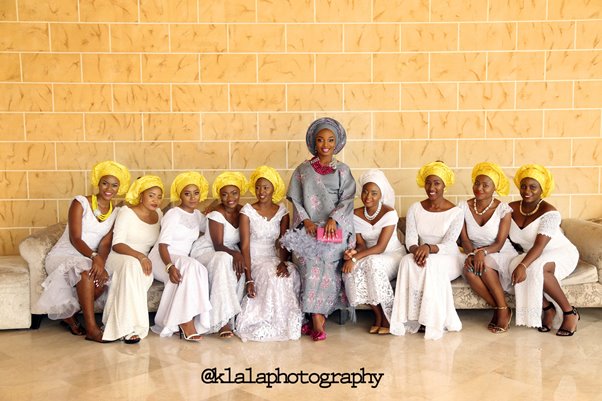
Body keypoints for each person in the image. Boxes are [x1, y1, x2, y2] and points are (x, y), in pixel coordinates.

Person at [35, 161, 130, 342]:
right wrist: (94, 257)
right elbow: (75, 238)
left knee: (100, 282)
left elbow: (105, 244)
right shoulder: (80, 202)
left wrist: (101, 261)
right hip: (65, 254)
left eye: (114, 185)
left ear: (120, 188)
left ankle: (69, 315)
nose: (109, 188)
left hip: (89, 257)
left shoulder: (116, 212)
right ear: (98, 183)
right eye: (105, 183)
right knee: (87, 273)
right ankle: (92, 330)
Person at [281, 117, 356, 341]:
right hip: (308, 230)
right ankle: (316, 318)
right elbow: (296, 200)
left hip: (334, 231)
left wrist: (333, 219)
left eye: (330, 140)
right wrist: (307, 222)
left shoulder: (343, 170)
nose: (325, 144)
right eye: (321, 140)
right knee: (309, 260)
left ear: (337, 143)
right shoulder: (303, 170)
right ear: (314, 143)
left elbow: (348, 200)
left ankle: (316, 317)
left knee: (328, 259)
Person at [390, 161, 464, 340]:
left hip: (448, 257)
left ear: (444, 185)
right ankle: (410, 318)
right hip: (422, 253)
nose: (432, 187)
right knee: (407, 261)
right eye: (429, 182)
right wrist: (417, 251)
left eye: (437, 183)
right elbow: (410, 240)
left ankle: (430, 320)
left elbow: (449, 244)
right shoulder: (415, 208)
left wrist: (428, 248)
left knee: (430, 265)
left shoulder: (456, 212)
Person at [508, 164, 580, 336]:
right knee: (512, 265)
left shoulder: (550, 213)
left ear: (542, 189)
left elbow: (539, 246)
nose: (527, 191)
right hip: (533, 254)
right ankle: (547, 309)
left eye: (533, 187)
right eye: (523, 186)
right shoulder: (511, 208)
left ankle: (569, 313)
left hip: (559, 251)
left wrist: (523, 265)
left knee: (537, 269)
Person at [235, 166, 303, 342]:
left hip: (274, 257)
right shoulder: (247, 212)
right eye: (258, 187)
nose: (261, 191)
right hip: (255, 258)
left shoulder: (282, 212)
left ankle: (286, 321)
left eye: (266, 187)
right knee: (270, 275)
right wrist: (248, 277)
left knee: (291, 272)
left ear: (274, 188)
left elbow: (283, 241)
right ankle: (266, 320)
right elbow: (245, 246)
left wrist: (283, 262)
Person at [148, 172, 212, 341]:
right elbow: (162, 245)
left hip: (182, 258)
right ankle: (185, 322)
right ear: (180, 195)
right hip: (162, 257)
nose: (192, 197)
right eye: (187, 193)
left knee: (200, 269)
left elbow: (213, 225)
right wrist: (170, 266)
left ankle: (188, 320)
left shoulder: (198, 216)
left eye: (196, 193)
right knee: (190, 266)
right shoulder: (173, 214)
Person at [342, 169, 405, 335]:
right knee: (351, 271)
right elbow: (362, 245)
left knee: (371, 263)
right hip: (369, 254)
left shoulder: (389, 213)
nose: (368, 197)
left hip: (392, 255)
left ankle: (388, 316)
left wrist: (355, 259)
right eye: (365, 192)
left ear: (381, 195)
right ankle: (377, 315)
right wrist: (352, 254)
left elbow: (381, 247)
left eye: (374, 193)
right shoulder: (355, 214)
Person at [102, 175, 164, 343]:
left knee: (137, 270)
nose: (156, 200)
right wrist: (140, 256)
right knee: (131, 265)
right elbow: (117, 244)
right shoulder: (126, 212)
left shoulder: (159, 214)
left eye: (159, 196)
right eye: (151, 195)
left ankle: (118, 324)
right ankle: (132, 328)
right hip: (120, 257)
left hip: (142, 263)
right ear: (140, 194)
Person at [459, 162, 517, 333]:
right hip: (474, 251)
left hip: (500, 251)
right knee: (469, 271)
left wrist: (481, 253)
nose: (480, 188)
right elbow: (464, 239)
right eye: (477, 183)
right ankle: (502, 309)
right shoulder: (462, 207)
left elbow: (499, 242)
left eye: (486, 185)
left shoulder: (503, 210)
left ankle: (502, 312)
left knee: (483, 265)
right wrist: (472, 253)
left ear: (495, 188)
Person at [190, 172, 247, 338]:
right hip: (207, 251)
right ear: (220, 197)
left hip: (228, 251)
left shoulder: (243, 211)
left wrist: (239, 256)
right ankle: (222, 322)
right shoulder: (216, 214)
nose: (230, 198)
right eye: (224, 194)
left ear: (239, 193)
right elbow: (218, 245)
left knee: (236, 267)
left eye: (234, 193)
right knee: (224, 259)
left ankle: (231, 317)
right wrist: (236, 255)